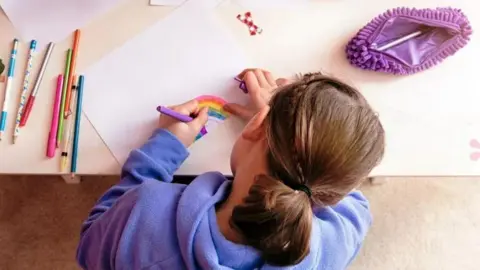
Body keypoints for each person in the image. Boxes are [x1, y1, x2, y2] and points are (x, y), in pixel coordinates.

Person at [76, 69, 385, 270]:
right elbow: (354, 203)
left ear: (257, 124)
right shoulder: (331, 247)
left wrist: (161, 151)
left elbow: (91, 243)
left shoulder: (145, 213)